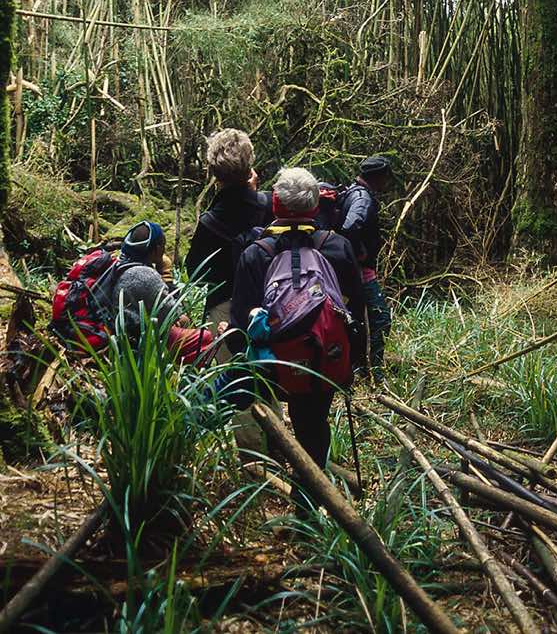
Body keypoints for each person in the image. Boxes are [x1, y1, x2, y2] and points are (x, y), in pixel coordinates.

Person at [229, 167, 366, 475]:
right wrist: (354, 363)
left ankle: (275, 475)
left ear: (275, 204)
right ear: (315, 206)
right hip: (322, 361)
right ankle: (309, 503)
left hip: (272, 371)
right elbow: (357, 311)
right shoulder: (337, 247)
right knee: (314, 425)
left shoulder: (254, 253)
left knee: (278, 418)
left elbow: (240, 325)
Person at [186, 128, 272, 361]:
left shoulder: (209, 222)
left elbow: (195, 272)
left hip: (224, 307)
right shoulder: (270, 206)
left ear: (213, 171)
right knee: (265, 380)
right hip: (268, 305)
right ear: (250, 166)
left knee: (228, 383)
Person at [101, 221, 212, 364]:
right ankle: (180, 376)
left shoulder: (119, 263)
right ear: (157, 248)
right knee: (205, 338)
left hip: (119, 331)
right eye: (163, 245)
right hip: (136, 341)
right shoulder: (144, 275)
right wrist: (166, 272)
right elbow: (176, 314)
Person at [337, 155, 393, 380]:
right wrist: (359, 253)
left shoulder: (352, 192)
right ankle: (377, 371)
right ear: (378, 177)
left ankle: (358, 369)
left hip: (351, 272)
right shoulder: (363, 199)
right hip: (359, 273)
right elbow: (350, 227)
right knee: (380, 317)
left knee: (356, 319)